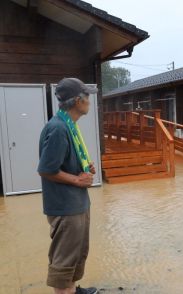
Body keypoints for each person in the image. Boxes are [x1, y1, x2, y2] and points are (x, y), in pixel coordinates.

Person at [38, 78, 98, 294]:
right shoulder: (58, 129)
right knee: (64, 260)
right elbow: (46, 169)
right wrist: (77, 179)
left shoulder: (69, 125)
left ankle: (73, 290)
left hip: (76, 203)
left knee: (76, 253)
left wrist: (83, 167)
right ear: (77, 101)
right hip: (65, 207)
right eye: (86, 96)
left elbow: (61, 163)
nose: (89, 100)